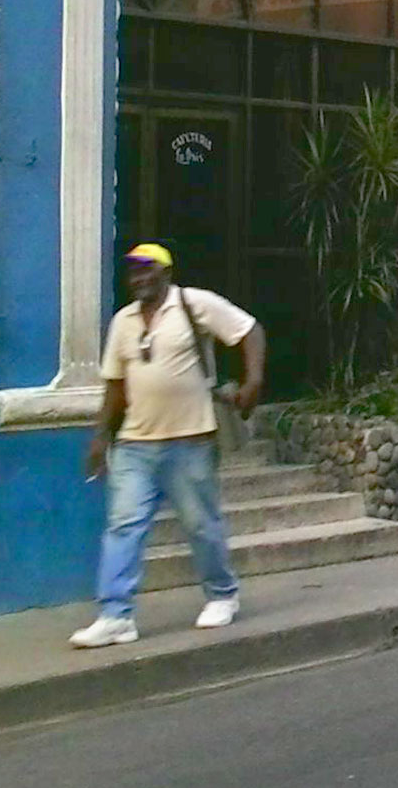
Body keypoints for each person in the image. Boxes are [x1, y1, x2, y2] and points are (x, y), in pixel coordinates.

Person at [70, 243, 265, 649]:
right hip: (135, 445)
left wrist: (253, 383)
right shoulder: (123, 322)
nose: (139, 279)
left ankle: (222, 595)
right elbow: (115, 385)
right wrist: (101, 436)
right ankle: (116, 616)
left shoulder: (194, 304)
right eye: (134, 273)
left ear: (166, 273)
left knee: (201, 524)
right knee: (123, 527)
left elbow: (249, 330)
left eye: (148, 270)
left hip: (190, 442)